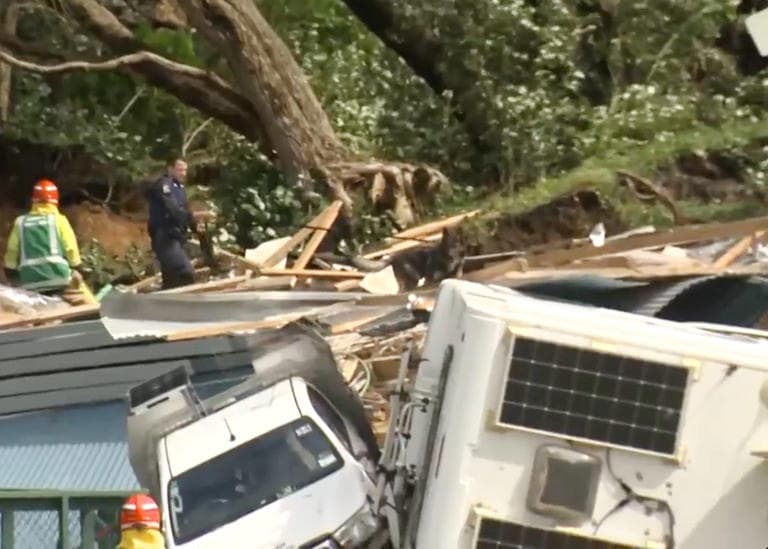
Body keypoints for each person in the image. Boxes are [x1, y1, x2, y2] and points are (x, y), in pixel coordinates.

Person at [3, 179, 95, 304]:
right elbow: (71, 248)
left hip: (29, 281)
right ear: (55, 201)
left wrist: (11, 273)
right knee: (88, 301)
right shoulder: (59, 220)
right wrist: (78, 267)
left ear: (34, 201)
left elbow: (12, 251)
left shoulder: (20, 222)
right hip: (58, 280)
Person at [145, 159, 214, 290]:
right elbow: (173, 209)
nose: (183, 173)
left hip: (176, 236)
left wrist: (195, 225)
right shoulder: (164, 185)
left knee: (173, 279)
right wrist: (196, 215)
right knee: (184, 273)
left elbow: (183, 210)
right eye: (180, 170)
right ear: (171, 169)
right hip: (165, 236)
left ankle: (169, 305)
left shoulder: (179, 188)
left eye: (185, 170)